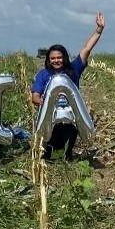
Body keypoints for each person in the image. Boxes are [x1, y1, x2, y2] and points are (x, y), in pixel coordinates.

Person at [31, 12, 106, 160]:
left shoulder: (73, 70)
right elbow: (35, 97)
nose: (56, 60)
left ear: (64, 57)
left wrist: (99, 30)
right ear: (48, 60)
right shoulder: (43, 74)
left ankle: (67, 154)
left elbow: (86, 49)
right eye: (53, 58)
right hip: (51, 119)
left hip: (70, 119)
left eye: (59, 57)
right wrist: (44, 102)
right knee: (49, 153)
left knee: (66, 150)